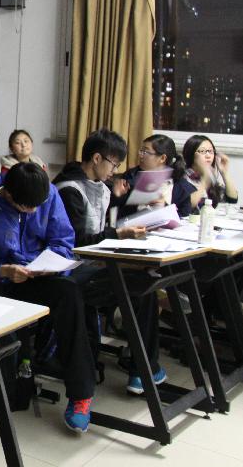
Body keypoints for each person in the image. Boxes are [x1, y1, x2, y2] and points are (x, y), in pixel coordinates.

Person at [0, 163, 96, 433]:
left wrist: (51, 262)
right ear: (8, 194)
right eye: (26, 207)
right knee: (67, 295)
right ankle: (73, 390)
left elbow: (63, 240)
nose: (32, 211)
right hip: (8, 284)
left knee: (79, 290)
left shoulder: (49, 194)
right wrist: (2, 271)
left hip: (46, 274)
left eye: (37, 206)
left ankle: (81, 392)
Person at [53, 129, 164, 396]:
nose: (115, 171)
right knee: (141, 289)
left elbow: (98, 231)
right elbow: (77, 242)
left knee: (146, 283)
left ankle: (143, 368)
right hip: (71, 270)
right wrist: (118, 235)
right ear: (96, 158)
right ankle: (144, 369)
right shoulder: (68, 189)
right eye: (113, 164)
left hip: (96, 263)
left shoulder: (101, 187)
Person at [116, 134, 187, 219]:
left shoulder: (179, 183)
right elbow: (119, 213)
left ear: (162, 158)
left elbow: (184, 216)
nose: (140, 155)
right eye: (141, 151)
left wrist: (164, 206)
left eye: (145, 152)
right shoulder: (130, 176)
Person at [176, 135, 238, 215]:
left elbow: (232, 200)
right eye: (202, 151)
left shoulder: (210, 179)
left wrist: (224, 173)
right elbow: (186, 207)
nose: (208, 156)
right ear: (191, 154)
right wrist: (205, 181)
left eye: (211, 151)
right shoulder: (182, 178)